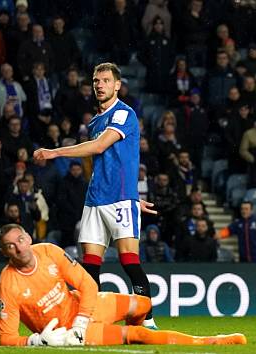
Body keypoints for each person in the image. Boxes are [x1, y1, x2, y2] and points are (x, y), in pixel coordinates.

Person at [33, 63, 159, 329]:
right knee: (90, 267)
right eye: (95, 81)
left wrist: (55, 152)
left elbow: (101, 145)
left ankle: (147, 320)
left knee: (129, 261)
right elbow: (102, 160)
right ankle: (90, 321)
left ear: (116, 85)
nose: (99, 85)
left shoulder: (125, 114)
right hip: (94, 199)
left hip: (120, 200)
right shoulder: (94, 122)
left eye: (105, 80)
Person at [0, 223, 246, 346]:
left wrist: (83, 318)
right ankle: (210, 341)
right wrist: (35, 341)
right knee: (139, 334)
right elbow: (6, 338)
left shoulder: (48, 250)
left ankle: (138, 338)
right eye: (10, 246)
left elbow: (87, 285)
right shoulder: (8, 284)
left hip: (84, 310)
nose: (19, 247)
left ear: (28, 237)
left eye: (20, 239)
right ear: (5, 253)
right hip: (69, 333)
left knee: (143, 305)